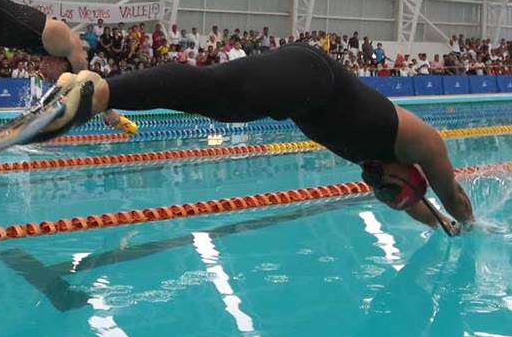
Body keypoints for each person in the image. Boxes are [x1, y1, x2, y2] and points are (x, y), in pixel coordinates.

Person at [40, 43, 474, 234]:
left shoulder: (380, 171)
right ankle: (99, 93)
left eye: (381, 191)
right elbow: (449, 194)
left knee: (219, 101)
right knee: (218, 96)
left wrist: (443, 227)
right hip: (312, 75)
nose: (376, 184)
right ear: (410, 174)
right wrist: (470, 226)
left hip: (297, 93)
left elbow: (422, 206)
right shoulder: (421, 143)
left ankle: (99, 92)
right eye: (388, 187)